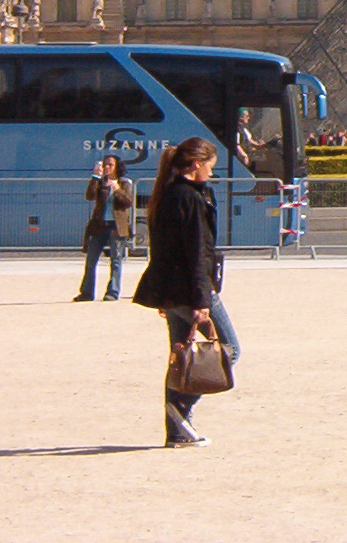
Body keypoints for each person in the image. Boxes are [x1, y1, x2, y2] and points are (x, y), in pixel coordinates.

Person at [132, 137, 241, 447]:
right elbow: (196, 252)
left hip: (170, 289)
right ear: (196, 164)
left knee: (181, 358)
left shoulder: (166, 194)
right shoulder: (190, 197)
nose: (211, 172)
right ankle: (180, 407)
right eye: (209, 166)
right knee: (229, 350)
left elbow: (162, 249)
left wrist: (162, 296)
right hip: (192, 289)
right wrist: (202, 300)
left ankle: (177, 432)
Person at [75, 154, 135, 302]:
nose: (107, 167)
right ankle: (87, 293)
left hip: (116, 227)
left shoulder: (124, 183)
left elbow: (127, 202)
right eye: (105, 165)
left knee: (116, 260)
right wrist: (95, 177)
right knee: (91, 260)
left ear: (117, 167)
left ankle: (112, 292)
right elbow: (89, 196)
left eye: (110, 165)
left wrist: (117, 189)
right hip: (99, 226)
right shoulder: (100, 182)